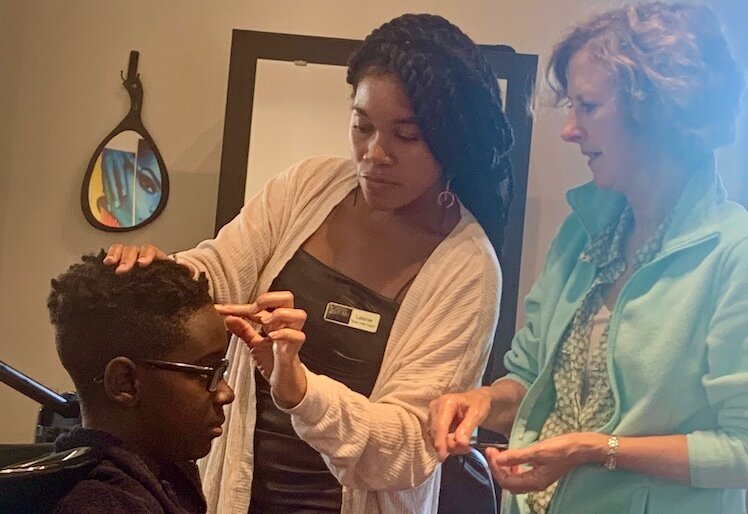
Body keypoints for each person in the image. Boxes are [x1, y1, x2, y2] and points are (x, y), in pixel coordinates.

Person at [103, 13, 514, 514]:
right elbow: (220, 268)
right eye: (362, 125)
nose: (375, 153)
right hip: (234, 491)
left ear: (453, 141)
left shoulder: (467, 269)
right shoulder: (309, 187)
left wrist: (300, 391)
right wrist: (162, 271)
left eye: (405, 136)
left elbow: (409, 445)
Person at [429, 2, 747, 513]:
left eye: (588, 107)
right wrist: (485, 401)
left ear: (659, 111)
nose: (569, 129)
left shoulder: (734, 254)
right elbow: (531, 379)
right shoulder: (584, 231)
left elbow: (741, 451)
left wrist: (598, 450)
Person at [46, 252, 236, 513]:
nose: (227, 393)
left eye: (222, 369)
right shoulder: (98, 505)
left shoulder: (166, 475)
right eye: (206, 371)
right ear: (125, 382)